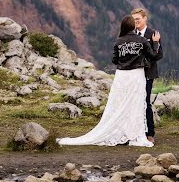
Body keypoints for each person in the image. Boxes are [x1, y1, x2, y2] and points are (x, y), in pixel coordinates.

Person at [58, 15, 161, 147]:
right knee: (135, 103)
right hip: (136, 76)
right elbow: (153, 55)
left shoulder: (119, 41)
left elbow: (114, 60)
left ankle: (120, 132)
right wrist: (156, 42)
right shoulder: (141, 40)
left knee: (119, 103)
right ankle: (134, 134)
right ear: (133, 26)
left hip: (122, 76)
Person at [131, 8, 163, 143]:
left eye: (138, 19)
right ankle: (134, 131)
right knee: (133, 102)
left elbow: (159, 55)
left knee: (145, 102)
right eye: (133, 19)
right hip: (133, 74)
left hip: (147, 74)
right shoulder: (131, 34)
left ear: (145, 18)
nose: (136, 21)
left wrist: (154, 44)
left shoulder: (153, 34)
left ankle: (150, 133)